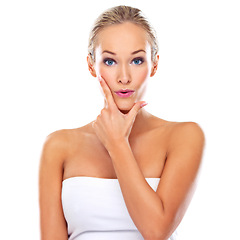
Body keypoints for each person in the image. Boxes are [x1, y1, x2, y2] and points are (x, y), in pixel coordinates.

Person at [39, 5, 205, 240]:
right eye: (110, 61)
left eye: (137, 61)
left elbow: (156, 232)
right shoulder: (58, 145)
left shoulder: (184, 136)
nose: (124, 77)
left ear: (154, 64)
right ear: (90, 65)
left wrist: (117, 143)